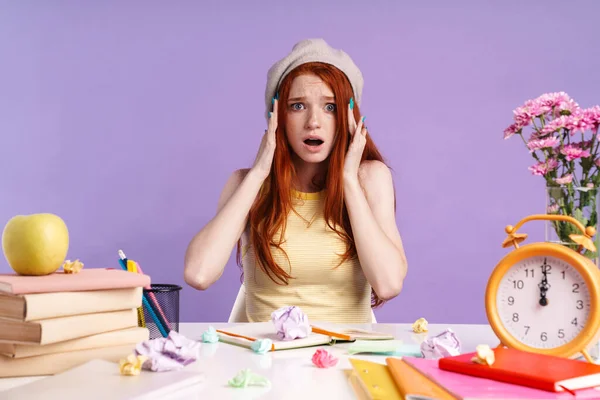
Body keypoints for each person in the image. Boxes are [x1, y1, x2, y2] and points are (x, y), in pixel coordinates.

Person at [184, 38, 408, 323]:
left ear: (349, 117)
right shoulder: (246, 184)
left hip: (345, 356)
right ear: (276, 117)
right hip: (263, 360)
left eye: (330, 107)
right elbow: (198, 274)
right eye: (298, 106)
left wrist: (348, 181)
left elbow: (388, 284)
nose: (313, 121)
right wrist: (258, 173)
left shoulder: (370, 178)